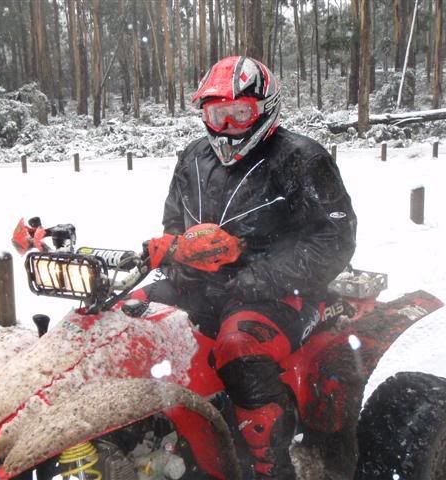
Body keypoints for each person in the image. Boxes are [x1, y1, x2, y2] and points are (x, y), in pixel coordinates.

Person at [133, 56, 357, 479]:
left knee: (241, 349)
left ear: (264, 110)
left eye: (240, 113)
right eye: (217, 114)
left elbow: (334, 239)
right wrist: (180, 258)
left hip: (284, 291)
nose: (227, 127)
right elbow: (174, 222)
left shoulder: (302, 159)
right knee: (128, 322)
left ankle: (270, 467)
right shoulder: (193, 157)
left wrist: (257, 276)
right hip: (202, 285)